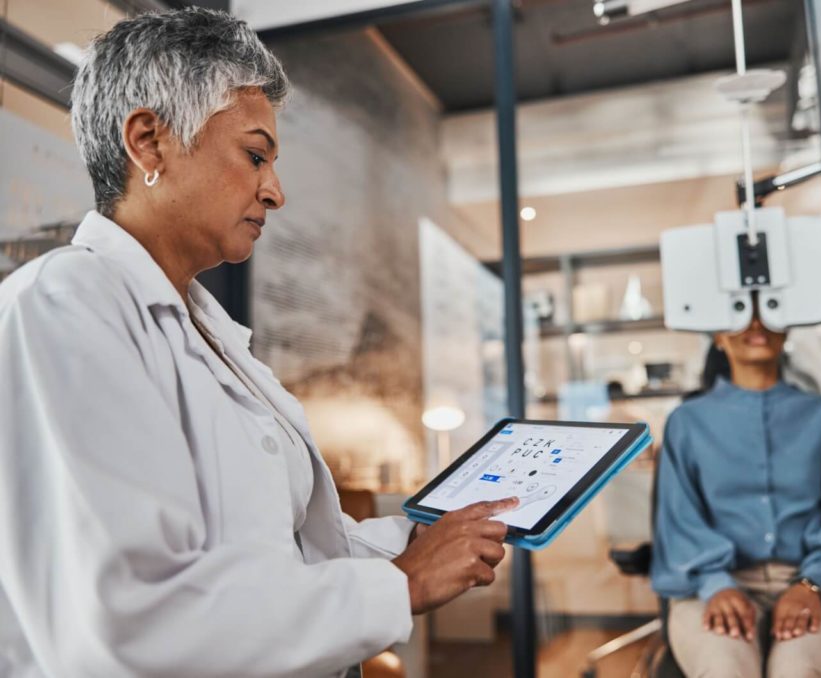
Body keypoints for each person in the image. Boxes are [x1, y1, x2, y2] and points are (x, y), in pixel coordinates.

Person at [0, 8, 516, 676]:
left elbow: (283, 555)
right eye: (254, 155)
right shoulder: (61, 306)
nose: (274, 191)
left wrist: (421, 537)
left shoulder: (202, 327)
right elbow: (133, 621)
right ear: (148, 143)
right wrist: (404, 583)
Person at [650, 308, 821, 678]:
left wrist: (811, 585)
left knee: (800, 670)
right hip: (715, 587)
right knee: (724, 670)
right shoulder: (686, 424)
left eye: (768, 311)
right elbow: (679, 523)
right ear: (716, 334)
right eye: (740, 312)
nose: (756, 323)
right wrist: (716, 586)